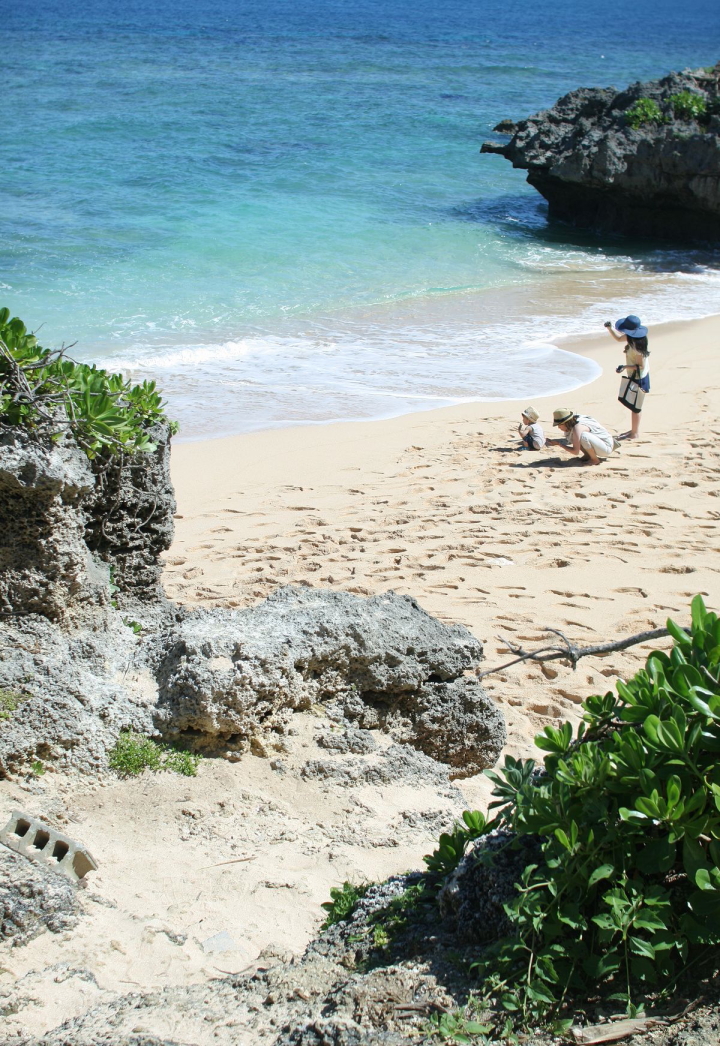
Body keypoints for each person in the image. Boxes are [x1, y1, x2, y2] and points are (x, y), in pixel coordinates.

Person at [604, 314, 650, 440]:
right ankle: (634, 430)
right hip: (636, 375)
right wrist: (609, 329)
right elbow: (619, 339)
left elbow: (640, 366)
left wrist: (625, 367)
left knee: (636, 407)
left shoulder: (637, 348)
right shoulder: (633, 338)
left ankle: (635, 433)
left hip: (640, 378)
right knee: (633, 405)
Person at [546, 407, 616, 465]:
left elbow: (575, 452)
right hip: (600, 443)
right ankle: (588, 455)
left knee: (583, 436)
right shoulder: (574, 421)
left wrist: (559, 444)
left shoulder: (578, 427)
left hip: (606, 447)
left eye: (560, 425)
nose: (559, 427)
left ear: (566, 423)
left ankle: (594, 459)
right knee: (574, 436)